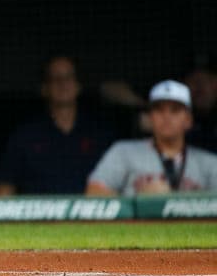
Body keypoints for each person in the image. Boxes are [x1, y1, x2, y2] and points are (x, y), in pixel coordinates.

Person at [0, 56, 115, 196]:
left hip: (89, 215)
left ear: (78, 86)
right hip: (38, 215)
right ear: (44, 88)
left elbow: (116, 187)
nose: (62, 83)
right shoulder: (25, 135)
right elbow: (5, 189)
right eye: (55, 78)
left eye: (68, 77)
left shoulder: (99, 132)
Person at [86, 80, 217, 195]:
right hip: (140, 223)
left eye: (175, 110)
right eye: (159, 110)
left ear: (188, 120)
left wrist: (188, 201)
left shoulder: (209, 162)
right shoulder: (123, 152)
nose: (166, 117)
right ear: (149, 117)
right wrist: (139, 201)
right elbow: (94, 192)